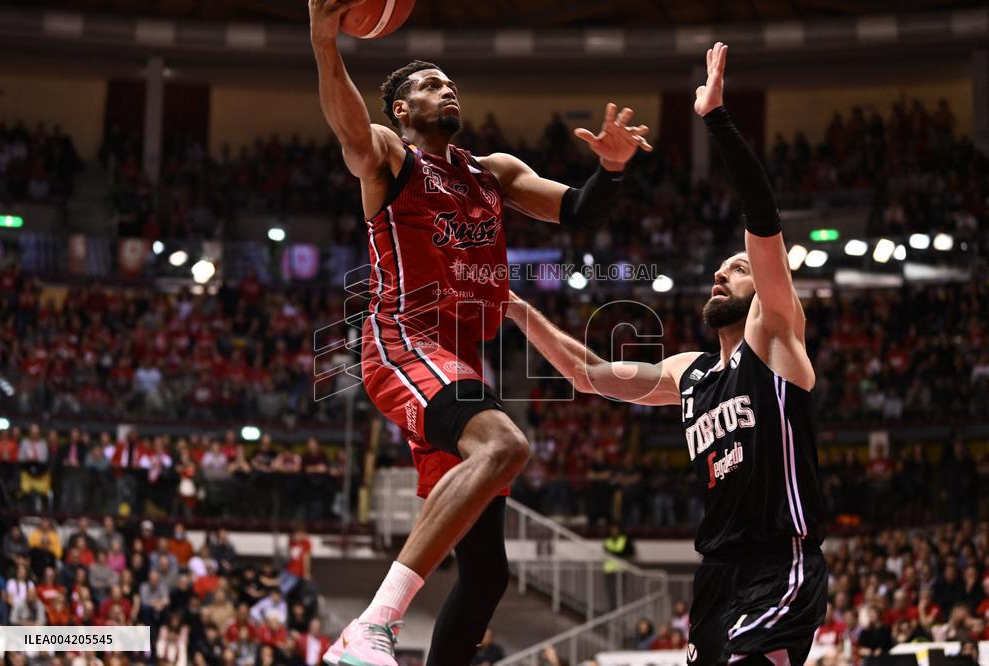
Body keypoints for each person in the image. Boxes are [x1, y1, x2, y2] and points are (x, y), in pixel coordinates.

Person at [308, 1, 651, 665]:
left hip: (457, 363)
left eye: (450, 83)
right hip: (402, 342)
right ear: (402, 111)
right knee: (504, 443)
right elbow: (351, 133)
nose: (447, 89)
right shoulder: (390, 159)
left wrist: (610, 170)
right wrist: (326, 43)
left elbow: (578, 213)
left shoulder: (492, 172)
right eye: (430, 85)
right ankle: (372, 625)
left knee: (488, 572)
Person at [506, 43, 827, 666]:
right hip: (714, 574)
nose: (719, 275)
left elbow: (762, 218)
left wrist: (717, 118)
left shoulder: (777, 336)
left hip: (779, 558)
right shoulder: (690, 372)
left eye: (735, 270)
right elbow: (588, 374)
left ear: (763, 287)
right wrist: (520, 310)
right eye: (719, 269)